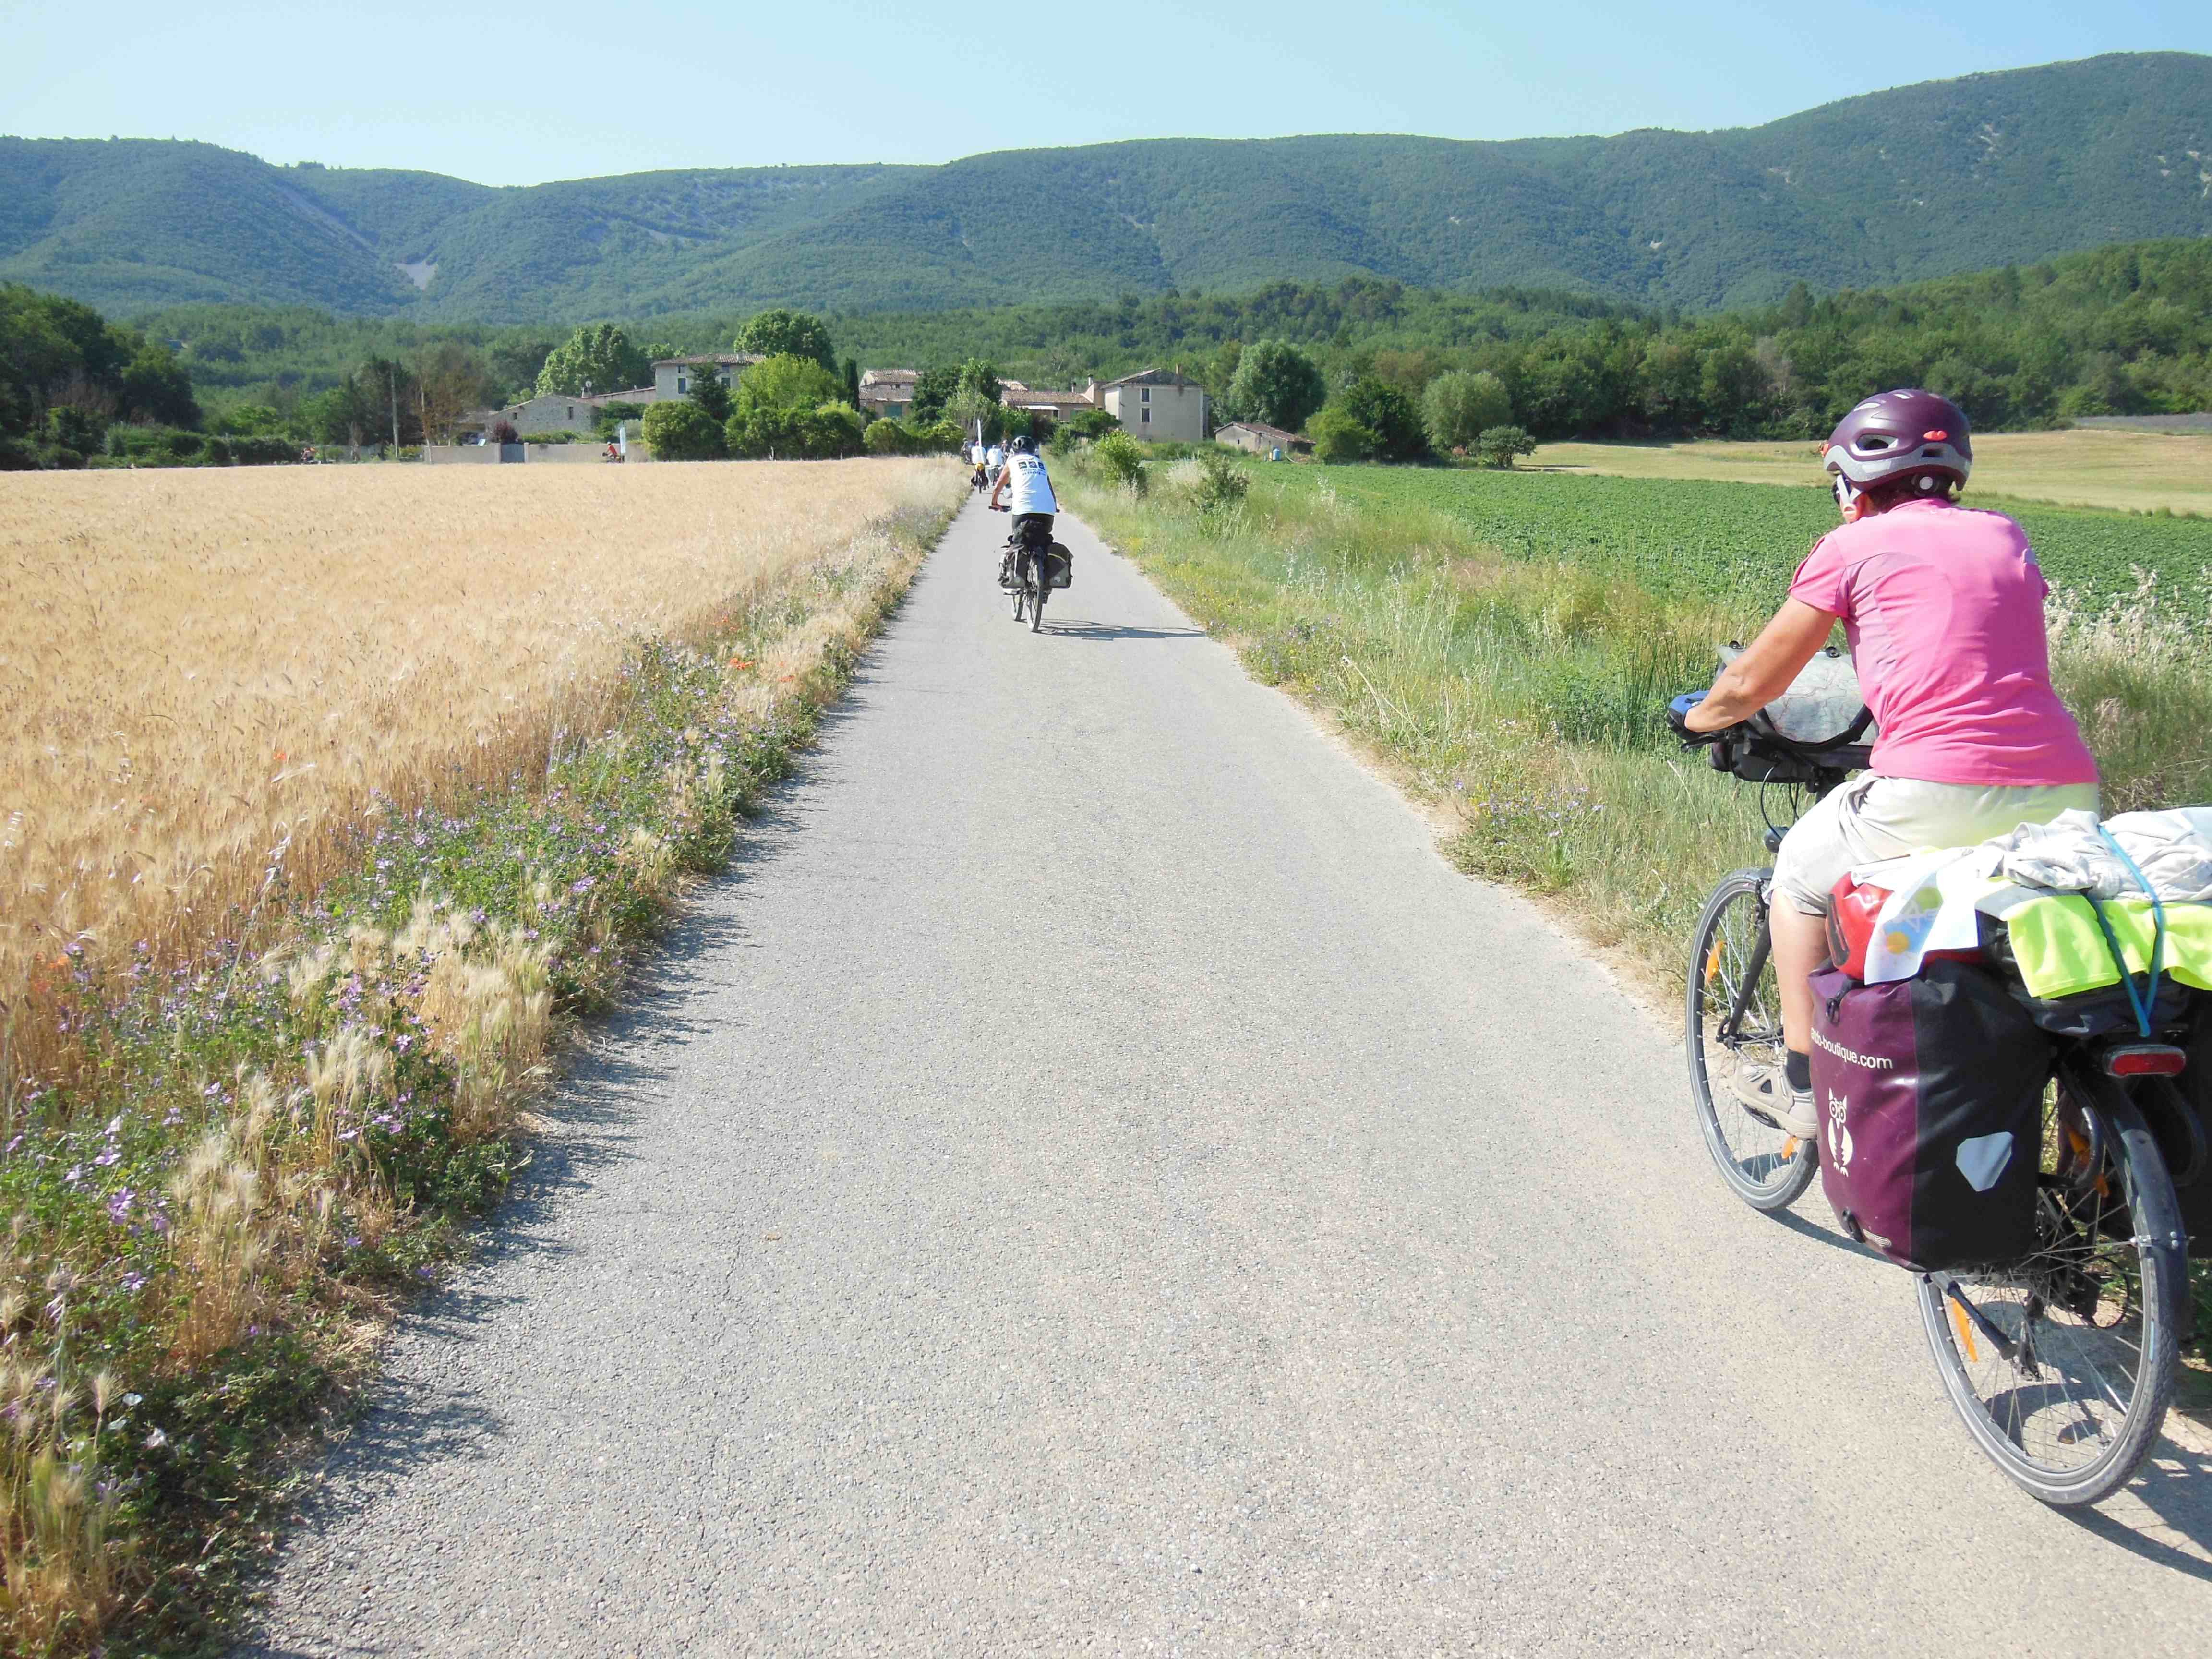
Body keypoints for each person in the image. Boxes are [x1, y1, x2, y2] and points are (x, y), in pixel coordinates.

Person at [1682, 388, 2099, 1136]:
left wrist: (1699, 717)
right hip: (2064, 784)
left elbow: (1756, 680)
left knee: (1800, 881)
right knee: (2029, 931)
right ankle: (2090, 1143)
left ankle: (1804, 1089)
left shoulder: (1848, 547)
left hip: (1935, 784)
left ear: (1852, 480)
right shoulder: (2005, 534)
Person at [987, 434, 1059, 590]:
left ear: (1014, 451)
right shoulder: (1041, 464)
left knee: (1018, 541)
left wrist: (994, 503)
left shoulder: (1012, 462)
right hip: (1048, 511)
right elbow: (1050, 488)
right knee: (1043, 541)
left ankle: (1016, 580)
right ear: (1033, 451)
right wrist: (1054, 506)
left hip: (1023, 510)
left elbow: (999, 485)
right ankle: (1044, 582)